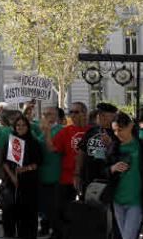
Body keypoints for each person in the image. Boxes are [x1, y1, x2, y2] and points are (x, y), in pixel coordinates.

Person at [105, 111, 143, 239]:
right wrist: (112, 168)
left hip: (136, 201)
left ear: (130, 126)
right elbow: (103, 171)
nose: (117, 134)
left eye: (120, 129)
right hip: (117, 200)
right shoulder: (114, 147)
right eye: (114, 130)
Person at [41, 102, 90, 239]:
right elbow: (52, 149)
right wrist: (47, 133)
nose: (73, 115)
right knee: (60, 210)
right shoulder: (65, 131)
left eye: (76, 112)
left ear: (84, 113)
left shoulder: (92, 130)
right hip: (66, 177)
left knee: (86, 210)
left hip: (87, 178)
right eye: (71, 112)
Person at [1, 114, 42, 239]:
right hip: (12, 181)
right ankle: (10, 233)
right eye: (18, 125)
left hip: (29, 181)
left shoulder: (34, 142)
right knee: (9, 209)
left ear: (28, 127)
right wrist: (12, 176)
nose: (20, 127)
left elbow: (37, 163)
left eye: (23, 125)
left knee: (27, 210)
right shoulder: (11, 141)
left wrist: (24, 169)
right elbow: (4, 162)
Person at [77, 102, 117, 198]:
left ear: (113, 116)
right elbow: (82, 152)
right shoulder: (92, 131)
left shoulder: (117, 133)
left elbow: (118, 156)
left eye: (104, 115)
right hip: (88, 179)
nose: (101, 117)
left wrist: (109, 145)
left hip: (107, 180)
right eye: (100, 114)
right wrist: (77, 174)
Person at [37, 106, 64, 237]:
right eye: (45, 114)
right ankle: (45, 226)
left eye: (50, 114)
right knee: (43, 204)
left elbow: (51, 149)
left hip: (55, 172)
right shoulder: (40, 130)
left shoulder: (61, 130)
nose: (47, 116)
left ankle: (56, 230)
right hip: (42, 173)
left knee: (53, 205)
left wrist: (47, 132)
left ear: (57, 116)